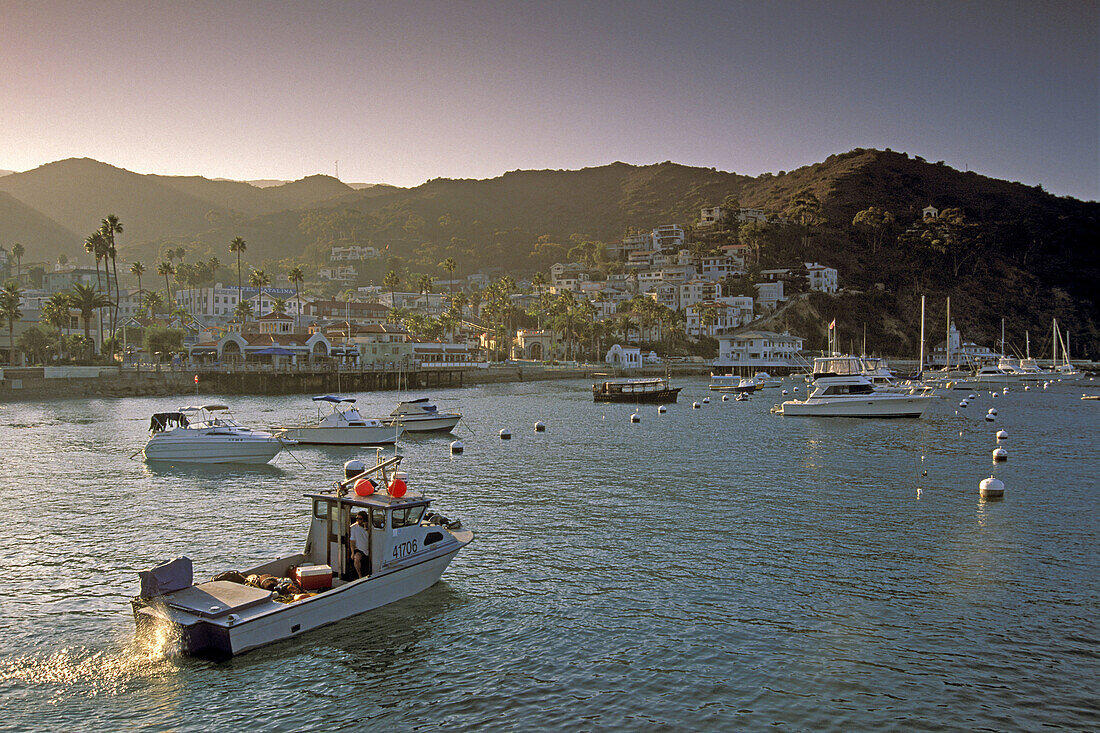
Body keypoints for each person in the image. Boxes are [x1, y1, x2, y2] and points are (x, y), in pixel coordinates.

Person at [350, 511, 371, 578]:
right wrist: (352, 552)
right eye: (357, 518)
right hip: (359, 549)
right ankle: (360, 576)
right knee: (356, 558)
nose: (358, 520)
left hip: (368, 549)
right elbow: (352, 541)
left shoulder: (370, 528)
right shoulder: (354, 528)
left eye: (360, 519)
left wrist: (366, 528)